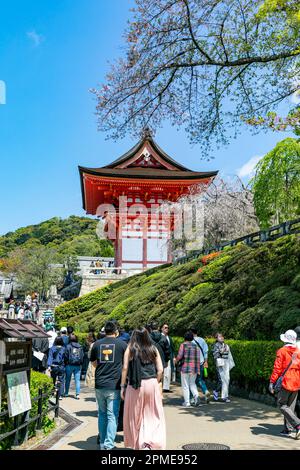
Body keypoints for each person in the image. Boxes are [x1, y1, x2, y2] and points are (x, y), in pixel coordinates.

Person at [121, 327, 166, 450]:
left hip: (135, 384)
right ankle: (151, 442)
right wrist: (155, 382)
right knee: (152, 414)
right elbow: (161, 369)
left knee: (135, 415)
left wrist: (122, 386)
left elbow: (125, 368)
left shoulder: (130, 349)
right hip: (151, 383)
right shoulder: (153, 348)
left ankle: (139, 443)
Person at [90, 321, 127, 450]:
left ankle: (102, 442)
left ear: (104, 331)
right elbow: (126, 364)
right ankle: (109, 444)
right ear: (115, 331)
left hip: (99, 384)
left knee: (102, 414)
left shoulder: (97, 344)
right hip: (114, 384)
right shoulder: (122, 344)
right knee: (112, 415)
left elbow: (93, 363)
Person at [269, 329, 300, 439]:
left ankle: (297, 424)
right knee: (290, 407)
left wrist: (272, 382)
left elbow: (277, 368)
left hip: (286, 381)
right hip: (297, 380)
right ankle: (288, 429)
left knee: (281, 404)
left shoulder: (281, 351)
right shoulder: (298, 350)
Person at [175, 331, 201, 407]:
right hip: (194, 368)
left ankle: (187, 402)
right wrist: (198, 369)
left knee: (185, 385)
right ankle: (196, 396)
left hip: (185, 368)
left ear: (185, 337)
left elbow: (180, 356)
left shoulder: (183, 345)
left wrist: (175, 361)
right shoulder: (196, 346)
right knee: (192, 383)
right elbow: (198, 359)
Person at [212, 333, 234, 403]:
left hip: (226, 364)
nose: (221, 338)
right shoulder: (216, 345)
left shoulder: (226, 345)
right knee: (222, 380)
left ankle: (224, 396)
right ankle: (219, 393)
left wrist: (231, 364)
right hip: (220, 364)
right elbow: (215, 355)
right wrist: (220, 352)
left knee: (227, 379)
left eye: (222, 336)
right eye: (219, 336)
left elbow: (229, 355)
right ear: (217, 338)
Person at [190, 327, 210, 403]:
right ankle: (205, 390)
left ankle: (192, 398)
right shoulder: (202, 340)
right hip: (201, 363)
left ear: (192, 333)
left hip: (193, 364)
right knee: (200, 379)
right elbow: (206, 352)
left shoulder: (190, 341)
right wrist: (206, 361)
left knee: (192, 382)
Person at [65, 334, 84, 399]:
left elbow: (66, 356)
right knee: (77, 380)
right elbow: (82, 356)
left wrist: (66, 363)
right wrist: (81, 363)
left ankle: (66, 393)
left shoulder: (68, 346)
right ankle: (77, 394)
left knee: (67, 379)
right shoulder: (80, 346)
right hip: (78, 365)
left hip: (69, 365)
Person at [160, 323, 175, 393]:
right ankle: (160, 386)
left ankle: (166, 387)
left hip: (169, 357)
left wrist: (173, 357)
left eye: (167, 328)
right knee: (161, 372)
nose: (167, 329)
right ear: (162, 329)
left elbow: (172, 348)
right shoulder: (159, 337)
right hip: (162, 357)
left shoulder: (169, 338)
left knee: (168, 372)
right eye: (165, 327)